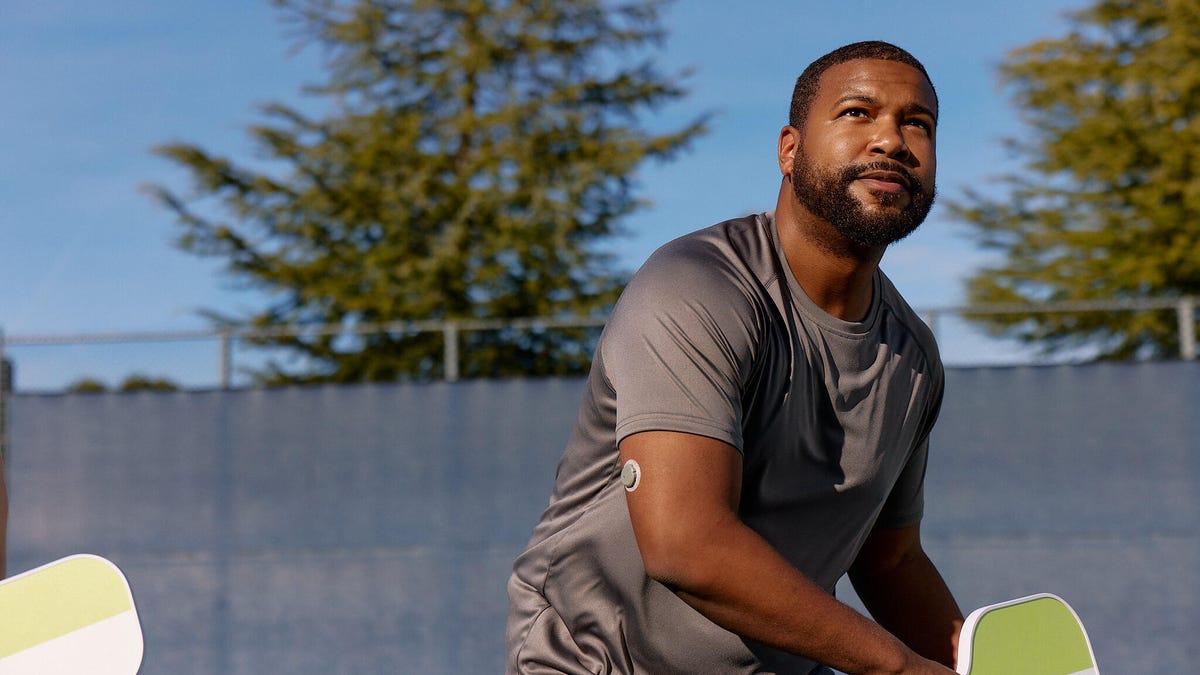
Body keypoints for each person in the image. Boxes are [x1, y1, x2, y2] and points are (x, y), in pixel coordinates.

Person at [507, 41, 963, 675]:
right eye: (858, 112)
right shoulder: (696, 287)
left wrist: (974, 662)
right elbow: (684, 544)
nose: (891, 139)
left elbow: (890, 561)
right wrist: (901, 667)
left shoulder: (914, 357)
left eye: (918, 123)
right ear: (790, 149)